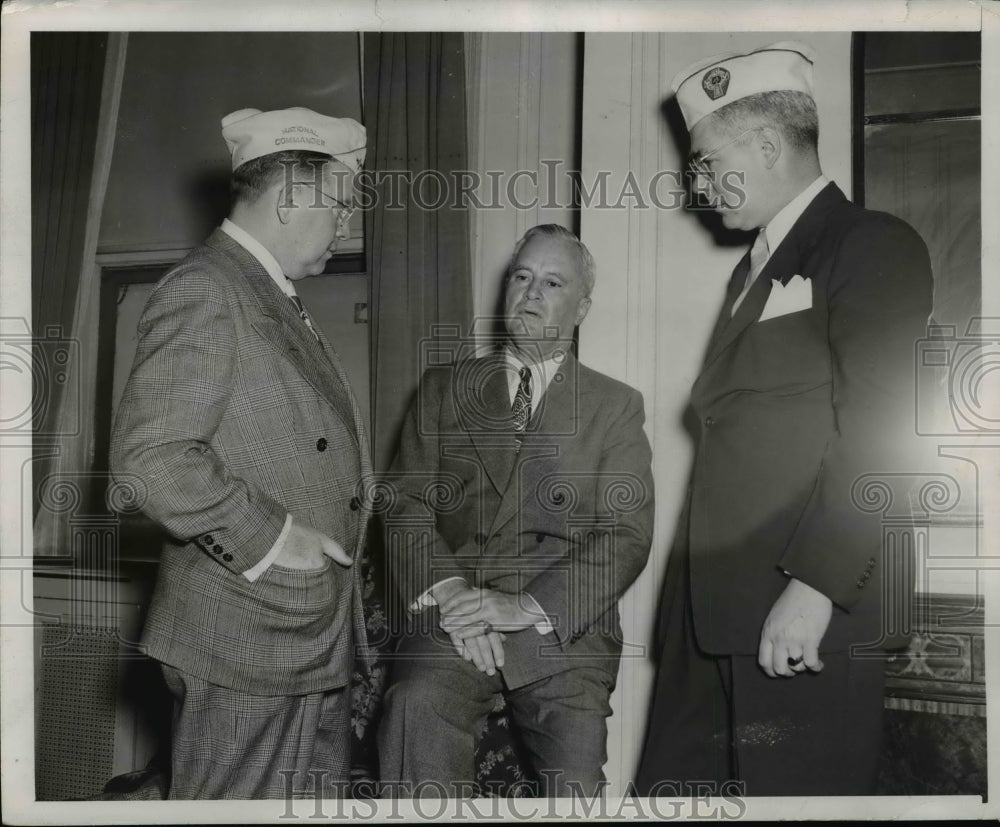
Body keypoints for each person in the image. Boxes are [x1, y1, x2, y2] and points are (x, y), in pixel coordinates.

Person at [635, 42, 933, 796]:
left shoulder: (868, 243)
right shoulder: (754, 270)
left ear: (767, 145)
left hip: (801, 614)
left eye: (707, 162)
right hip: (711, 624)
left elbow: (883, 430)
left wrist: (818, 586)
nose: (698, 185)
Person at [110, 107, 372, 800]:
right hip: (247, 637)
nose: (346, 226)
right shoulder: (208, 287)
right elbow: (153, 459)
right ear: (291, 198)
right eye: (340, 206)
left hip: (296, 629)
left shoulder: (264, 291)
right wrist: (278, 539)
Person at [376, 224, 655, 797]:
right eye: (521, 276)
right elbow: (404, 504)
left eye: (552, 282)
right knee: (414, 709)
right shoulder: (444, 388)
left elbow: (626, 534)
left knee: (574, 784)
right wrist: (453, 595)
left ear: (581, 308)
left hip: (561, 629)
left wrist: (525, 606)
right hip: (455, 614)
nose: (531, 292)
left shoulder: (614, 406)